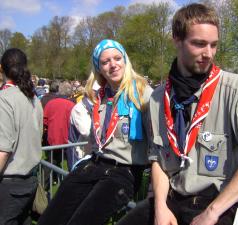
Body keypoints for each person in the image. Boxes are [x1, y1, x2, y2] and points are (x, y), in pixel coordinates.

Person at [116, 3, 238, 225]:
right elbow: (158, 160)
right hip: (172, 199)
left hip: (221, 204)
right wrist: (160, 207)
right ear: (176, 39)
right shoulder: (157, 99)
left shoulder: (235, 88)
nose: (208, 54)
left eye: (214, 45)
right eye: (199, 44)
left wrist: (212, 212)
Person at [37, 39, 153, 225]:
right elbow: (96, 138)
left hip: (123, 171)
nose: (113, 65)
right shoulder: (99, 98)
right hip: (95, 163)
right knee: (51, 219)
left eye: (117, 58)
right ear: (99, 68)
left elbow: (158, 147)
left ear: (125, 60)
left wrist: (155, 192)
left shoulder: (143, 94)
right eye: (105, 61)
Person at [0, 48, 43, 225]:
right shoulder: (34, 98)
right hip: (29, 181)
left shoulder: (4, 98)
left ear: (1, 68)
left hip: (11, 184)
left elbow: (3, 150)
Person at [66, 73, 100, 170]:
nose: (99, 93)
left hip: (92, 153)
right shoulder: (80, 108)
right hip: (79, 154)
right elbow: (87, 132)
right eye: (97, 91)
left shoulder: (98, 107)